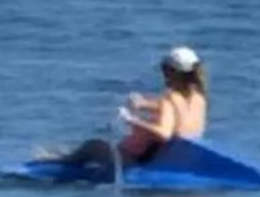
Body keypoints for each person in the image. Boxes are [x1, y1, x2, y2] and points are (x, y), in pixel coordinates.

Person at [50, 47, 209, 171]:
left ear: (170, 72)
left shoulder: (170, 97)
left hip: (139, 161)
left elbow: (164, 133)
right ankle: (67, 156)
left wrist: (132, 120)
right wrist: (144, 104)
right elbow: (175, 112)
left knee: (93, 145)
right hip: (174, 157)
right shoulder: (199, 98)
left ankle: (58, 163)